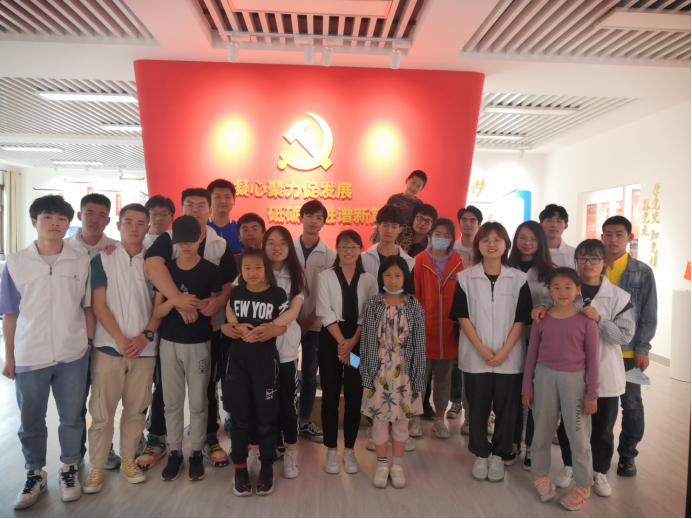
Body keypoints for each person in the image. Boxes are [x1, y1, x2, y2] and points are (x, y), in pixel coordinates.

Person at [1, 195, 93, 509]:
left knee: (72, 417)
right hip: (30, 354)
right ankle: (35, 474)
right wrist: (10, 356)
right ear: (34, 222)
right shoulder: (16, 263)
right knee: (31, 420)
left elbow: (87, 306)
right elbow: (10, 313)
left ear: (69, 223)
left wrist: (87, 342)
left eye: (61, 219)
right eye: (47, 217)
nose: (55, 223)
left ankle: (69, 468)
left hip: (73, 355)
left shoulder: (81, 261)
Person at [532, 239, 635, 498]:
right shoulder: (566, 286)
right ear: (576, 260)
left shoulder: (619, 296)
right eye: (583, 258)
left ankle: (598, 471)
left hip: (604, 370)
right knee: (569, 425)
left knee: (602, 427)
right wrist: (540, 307)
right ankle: (570, 466)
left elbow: (625, 336)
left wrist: (599, 320)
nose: (588, 263)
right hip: (569, 372)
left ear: (604, 262)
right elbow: (545, 309)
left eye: (594, 259)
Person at [144, 188, 237, 469]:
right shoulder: (168, 238)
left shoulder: (220, 244)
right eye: (189, 205)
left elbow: (228, 283)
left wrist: (218, 301)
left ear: (209, 210)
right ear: (181, 209)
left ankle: (207, 439)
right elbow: (152, 266)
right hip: (171, 332)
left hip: (208, 331)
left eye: (201, 205)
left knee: (206, 387)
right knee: (165, 390)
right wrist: (178, 301)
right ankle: (159, 439)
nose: (195, 210)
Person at [84, 204, 161, 493]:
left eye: (141, 223)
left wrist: (145, 336)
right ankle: (97, 467)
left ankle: (129, 460)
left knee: (136, 410)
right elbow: (98, 304)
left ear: (148, 227)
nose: (134, 228)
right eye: (128, 222)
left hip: (145, 350)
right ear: (118, 225)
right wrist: (119, 339)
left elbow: (159, 304)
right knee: (102, 413)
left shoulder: (154, 262)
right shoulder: (103, 258)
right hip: (108, 348)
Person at [449, 222, 532, 483]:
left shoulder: (518, 278)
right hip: (476, 356)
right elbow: (462, 316)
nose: (492, 244)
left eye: (497, 240)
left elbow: (521, 319)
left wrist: (505, 350)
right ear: (478, 246)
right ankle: (481, 454)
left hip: (510, 357)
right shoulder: (465, 277)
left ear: (506, 245)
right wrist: (482, 349)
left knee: (508, 410)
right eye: (486, 240)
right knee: (478, 409)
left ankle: (499, 455)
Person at [152, 215, 223, 483]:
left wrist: (197, 305)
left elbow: (213, 308)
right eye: (180, 241)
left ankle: (195, 453)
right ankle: (174, 453)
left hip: (200, 344)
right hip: (169, 344)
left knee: (198, 402)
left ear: (201, 238)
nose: (186, 246)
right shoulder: (166, 270)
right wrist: (177, 302)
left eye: (191, 241)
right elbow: (158, 311)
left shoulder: (211, 271)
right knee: (171, 402)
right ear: (173, 241)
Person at [522, 268, 600, 511]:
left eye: (568, 287)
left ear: (578, 290)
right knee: (541, 430)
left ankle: (583, 485)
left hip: (575, 382)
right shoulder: (541, 319)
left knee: (578, 435)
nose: (562, 292)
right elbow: (531, 355)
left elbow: (593, 361)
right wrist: (527, 387)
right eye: (557, 287)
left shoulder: (587, 322)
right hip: (544, 379)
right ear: (549, 290)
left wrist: (592, 394)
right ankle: (540, 476)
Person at [223, 247, 288, 497]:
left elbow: (283, 326)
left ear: (266, 269)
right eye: (247, 268)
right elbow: (228, 319)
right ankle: (240, 469)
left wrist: (272, 329)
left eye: (258, 267)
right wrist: (231, 327)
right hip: (237, 361)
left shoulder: (277, 294)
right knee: (239, 417)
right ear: (240, 270)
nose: (252, 272)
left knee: (267, 418)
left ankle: (266, 468)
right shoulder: (236, 292)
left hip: (265, 360)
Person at [244, 227, 307, 481]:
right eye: (271, 242)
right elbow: (235, 299)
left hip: (286, 350)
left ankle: (291, 451)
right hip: (256, 350)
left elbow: (294, 311)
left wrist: (272, 327)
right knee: (256, 404)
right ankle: (256, 451)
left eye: (283, 243)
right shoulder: (253, 269)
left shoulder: (296, 276)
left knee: (287, 404)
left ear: (290, 247)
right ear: (264, 245)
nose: (277, 247)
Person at [360, 256, 426, 489]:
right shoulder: (373, 304)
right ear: (381, 277)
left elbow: (420, 344)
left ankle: (397, 466)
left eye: (398, 275)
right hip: (379, 368)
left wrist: (419, 378)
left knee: (401, 422)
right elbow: (367, 341)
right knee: (378, 421)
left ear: (406, 277)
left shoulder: (414, 306)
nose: (393, 280)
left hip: (405, 371)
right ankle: (381, 465)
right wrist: (366, 374)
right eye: (387, 275)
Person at [65, 193, 120, 468]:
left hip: (106, 336)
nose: (95, 219)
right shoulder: (63, 248)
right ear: (79, 216)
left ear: (108, 220)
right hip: (72, 336)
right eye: (89, 213)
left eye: (101, 215)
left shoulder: (117, 249)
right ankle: (74, 456)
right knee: (75, 401)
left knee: (102, 399)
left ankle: (104, 449)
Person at [317, 230, 378, 475]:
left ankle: (350, 450)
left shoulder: (369, 279)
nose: (349, 251)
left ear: (360, 250)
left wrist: (352, 342)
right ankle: (332, 450)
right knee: (330, 394)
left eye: (354, 246)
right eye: (344, 246)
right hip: (332, 342)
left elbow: (369, 312)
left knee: (354, 395)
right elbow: (324, 311)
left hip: (357, 342)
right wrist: (343, 343)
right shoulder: (325, 276)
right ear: (337, 249)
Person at [601, 216, 657, 478]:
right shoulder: (593, 266)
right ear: (602, 236)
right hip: (598, 348)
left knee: (631, 404)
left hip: (628, 351)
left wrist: (643, 348)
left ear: (629, 238)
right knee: (600, 404)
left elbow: (649, 313)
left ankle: (627, 455)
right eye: (608, 234)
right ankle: (597, 454)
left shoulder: (642, 272)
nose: (613, 240)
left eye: (619, 234)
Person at [409, 218, 465, 440]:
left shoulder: (458, 262)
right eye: (438, 234)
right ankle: (414, 418)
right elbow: (413, 297)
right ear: (431, 235)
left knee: (443, 380)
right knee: (418, 379)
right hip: (424, 331)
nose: (442, 238)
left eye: (447, 235)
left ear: (452, 239)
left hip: (449, 333)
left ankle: (439, 420)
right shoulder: (419, 261)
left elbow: (462, 295)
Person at [507, 221, 554, 468]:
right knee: (514, 394)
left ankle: (532, 448)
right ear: (515, 239)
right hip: (509, 339)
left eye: (533, 239)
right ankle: (513, 442)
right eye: (522, 237)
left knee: (537, 397)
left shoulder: (550, 272)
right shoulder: (505, 266)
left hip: (540, 341)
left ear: (540, 242)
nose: (527, 243)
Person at [136, 195, 175, 470]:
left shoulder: (176, 244)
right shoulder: (135, 245)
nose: (159, 218)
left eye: (164, 214)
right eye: (154, 213)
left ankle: (157, 435)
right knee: (138, 389)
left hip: (167, 327)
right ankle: (137, 437)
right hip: (137, 327)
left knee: (162, 386)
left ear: (172, 217)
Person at [294, 200, 337, 443]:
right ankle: (285, 420)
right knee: (283, 374)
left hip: (316, 325)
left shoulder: (330, 255)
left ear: (323, 222)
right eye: (309, 215)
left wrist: (309, 320)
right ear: (300, 218)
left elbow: (328, 296)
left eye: (319, 217)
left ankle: (303, 422)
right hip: (286, 324)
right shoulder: (288, 248)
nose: (313, 220)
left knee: (310, 375)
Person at [451, 205, 483, 431]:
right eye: (464, 219)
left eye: (473, 220)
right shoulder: (451, 249)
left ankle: (475, 412)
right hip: (455, 309)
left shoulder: (485, 247)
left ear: (479, 224)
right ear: (459, 222)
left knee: (475, 361)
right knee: (455, 361)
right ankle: (455, 401)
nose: (468, 223)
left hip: (480, 312)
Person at [369, 170, 427, 245]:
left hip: (405, 236)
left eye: (418, 186)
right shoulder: (394, 198)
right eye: (413, 182)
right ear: (407, 180)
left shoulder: (419, 204)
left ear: (421, 189)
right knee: (381, 248)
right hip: (390, 229)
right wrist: (375, 228)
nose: (414, 187)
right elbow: (382, 215)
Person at [362, 205, 416, 281]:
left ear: (400, 229)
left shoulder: (409, 262)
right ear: (378, 227)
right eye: (385, 226)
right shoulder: (363, 258)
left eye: (394, 227)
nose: (389, 231)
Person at [207, 179, 243, 255]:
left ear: (234, 200)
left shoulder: (240, 229)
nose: (223, 201)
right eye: (217, 197)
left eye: (227, 197)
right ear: (209, 200)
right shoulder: (202, 228)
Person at [539, 204, 576, 268]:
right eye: (549, 220)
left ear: (565, 226)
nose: (554, 225)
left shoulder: (574, 254)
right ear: (541, 224)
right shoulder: (532, 252)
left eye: (559, 221)